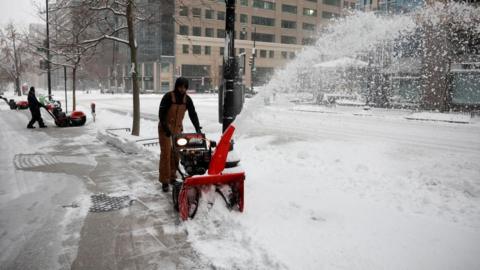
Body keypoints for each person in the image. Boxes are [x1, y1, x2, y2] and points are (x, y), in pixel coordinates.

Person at [158, 77, 201, 192]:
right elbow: (161, 114)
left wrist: (197, 128)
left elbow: (193, 114)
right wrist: (166, 128)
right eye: (180, 86)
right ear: (176, 86)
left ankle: (172, 177)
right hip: (164, 128)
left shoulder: (187, 99)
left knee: (176, 153)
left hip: (177, 129)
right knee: (166, 153)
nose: (182, 89)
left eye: (184, 87)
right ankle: (164, 181)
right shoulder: (168, 97)